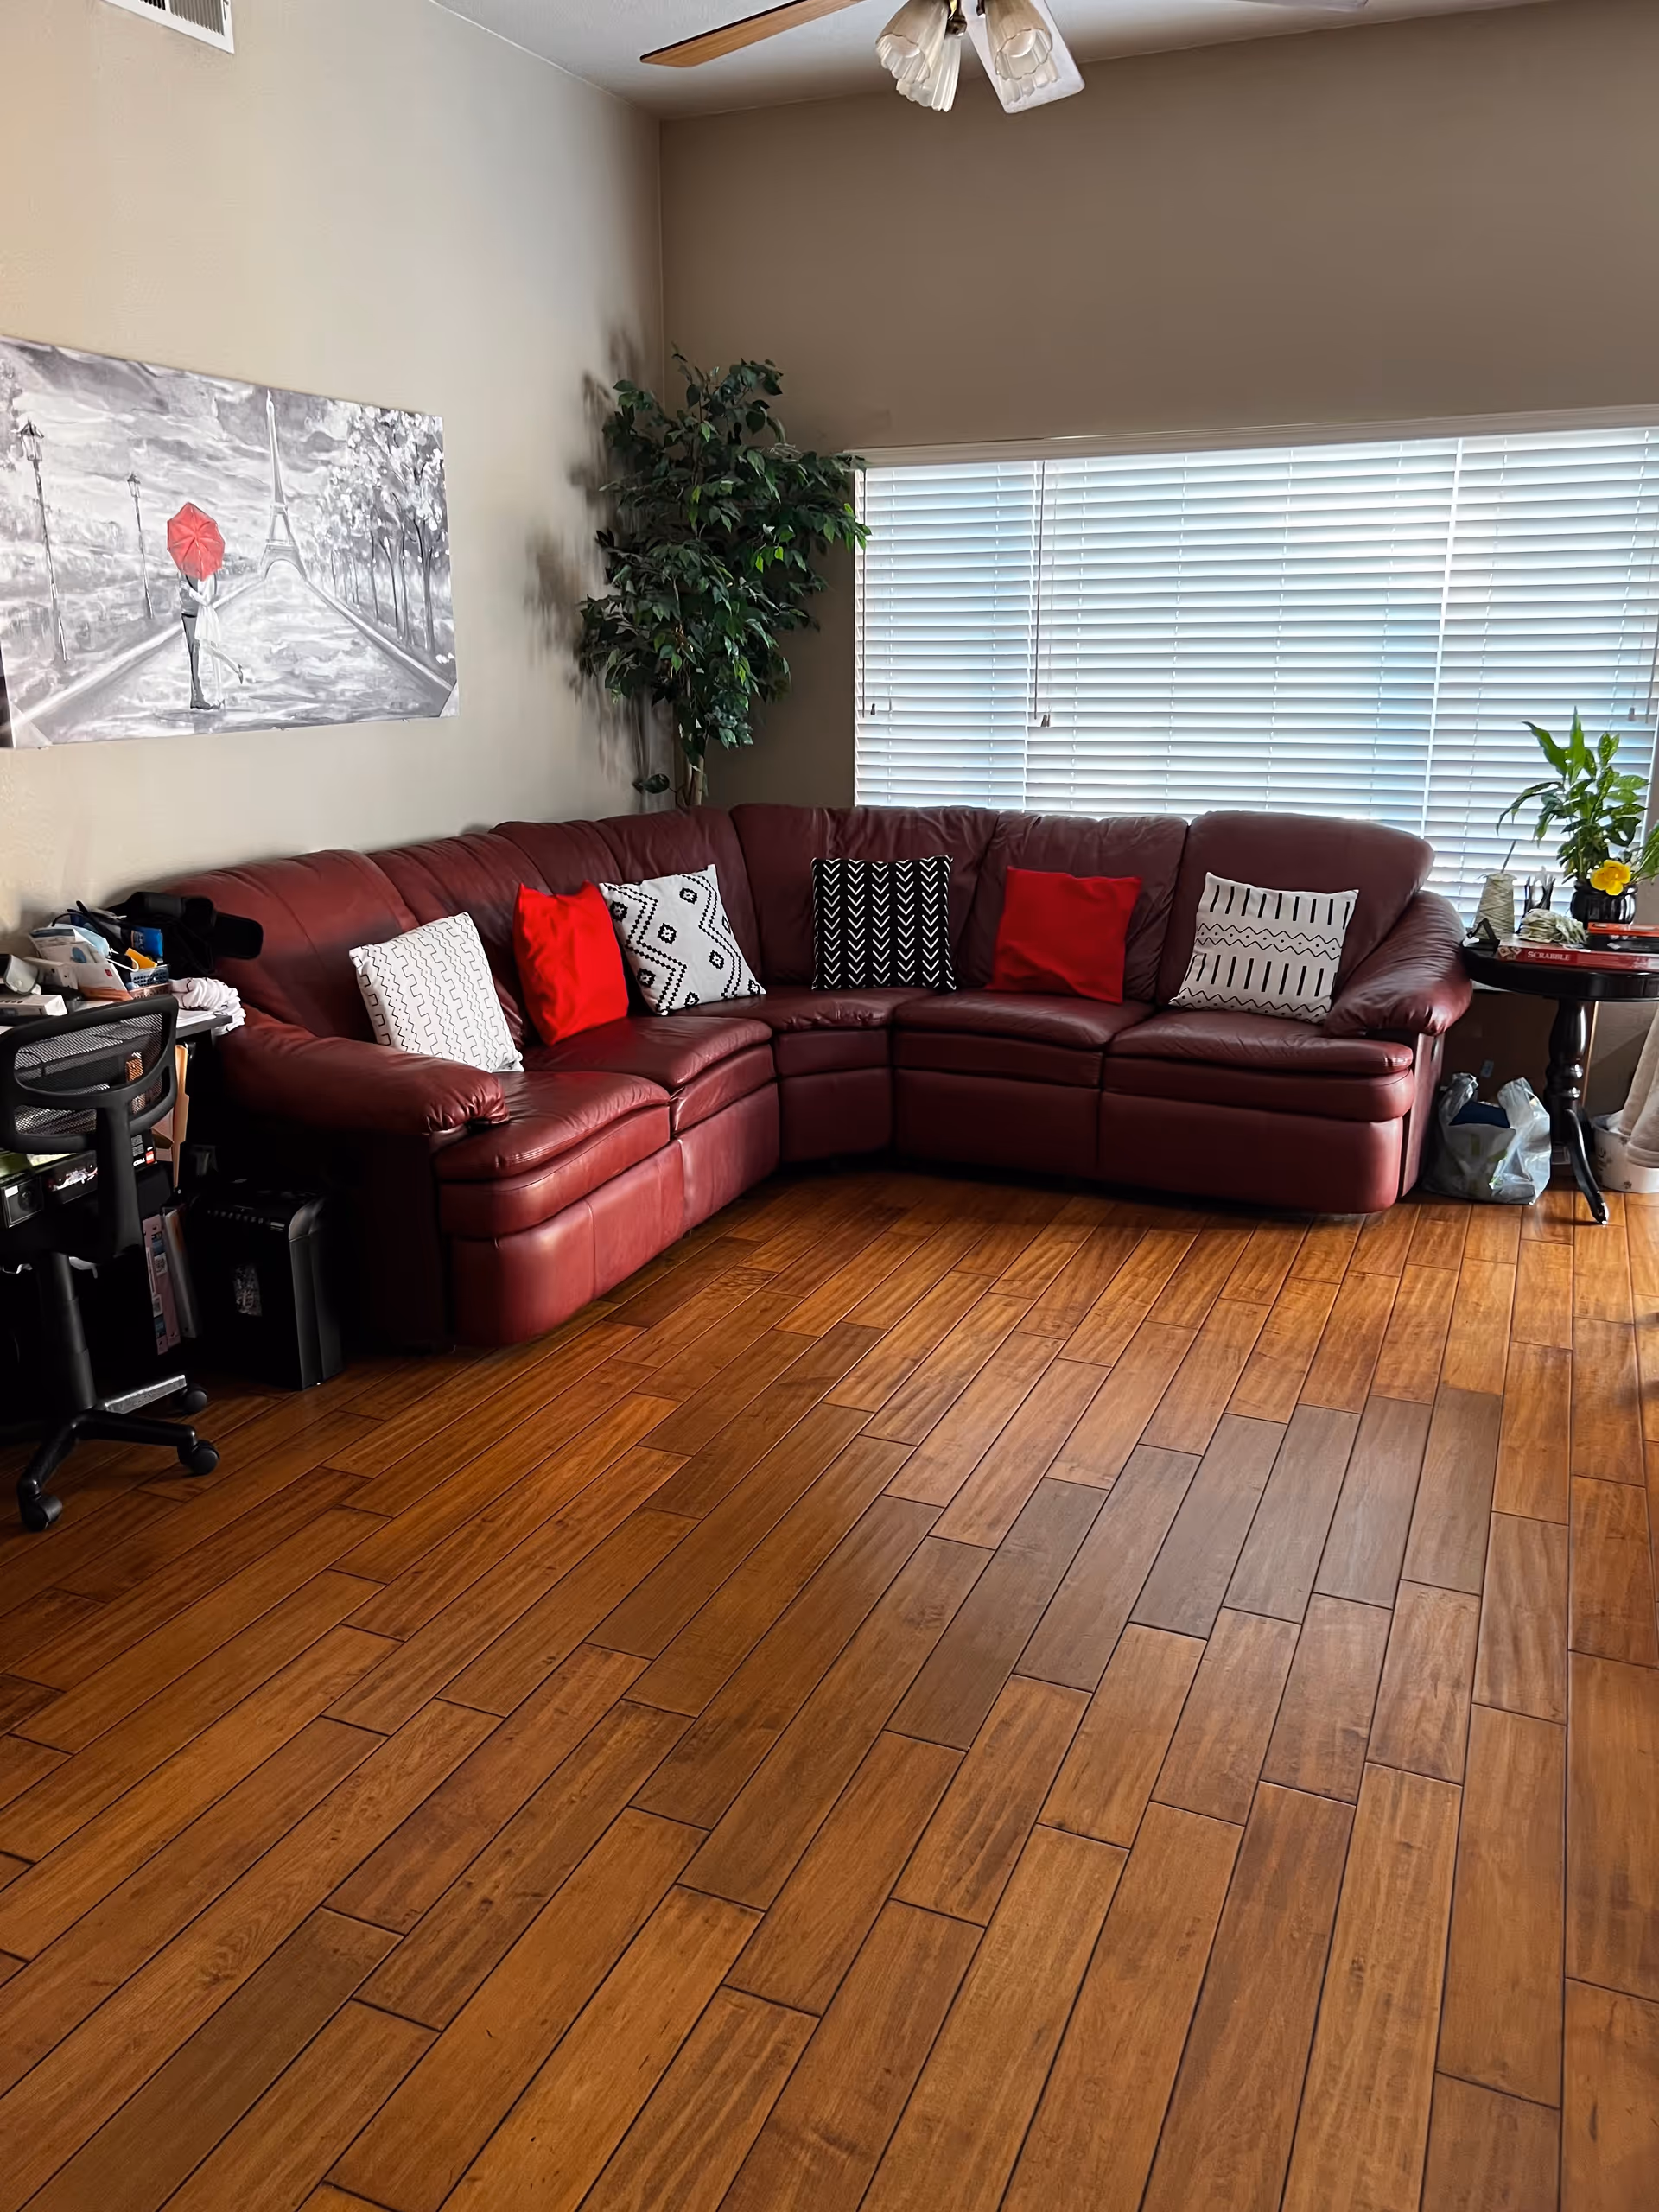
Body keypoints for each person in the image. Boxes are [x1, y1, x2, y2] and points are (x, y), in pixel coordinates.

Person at [189, 571, 244, 709]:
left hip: (208, 616)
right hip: (203, 615)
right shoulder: (202, 576)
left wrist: (191, 592)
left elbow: (206, 600)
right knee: (215, 660)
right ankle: (220, 697)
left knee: (206, 648)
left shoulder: (210, 577)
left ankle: (234, 666)